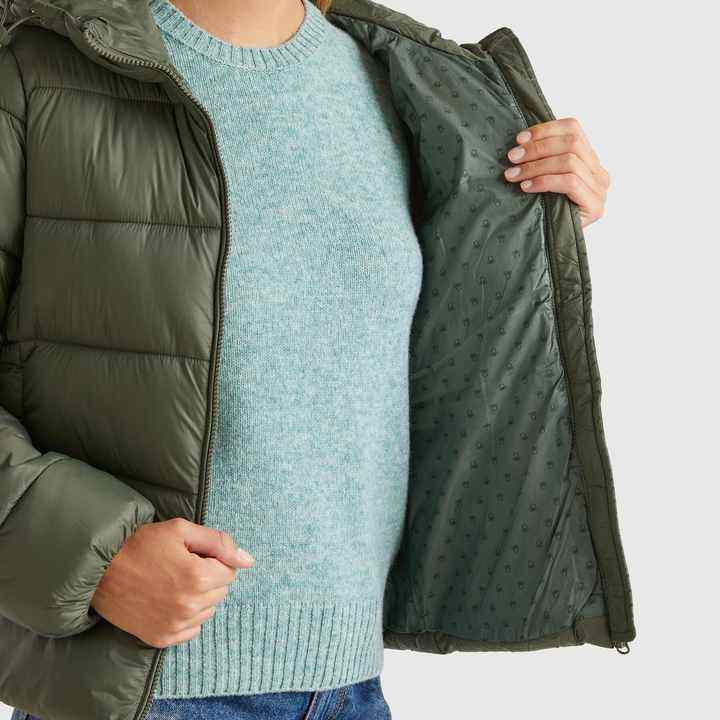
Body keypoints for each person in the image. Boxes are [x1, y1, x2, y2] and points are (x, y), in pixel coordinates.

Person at [0, 1, 622, 719]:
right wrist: (92, 558)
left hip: (352, 687)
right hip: (145, 691)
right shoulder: (38, 67)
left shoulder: (408, 82)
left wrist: (535, 221)